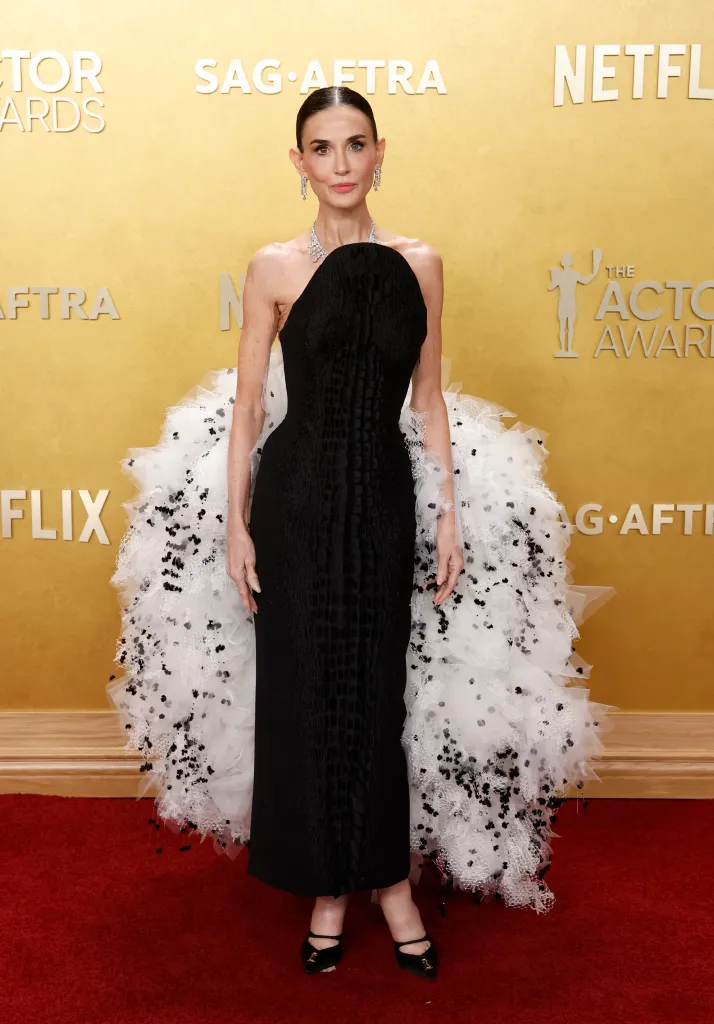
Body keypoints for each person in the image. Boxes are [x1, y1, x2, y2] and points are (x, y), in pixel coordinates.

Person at [108, 86, 614, 981]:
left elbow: (426, 404)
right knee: (306, 694)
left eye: (355, 145)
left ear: (382, 152)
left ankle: (391, 886)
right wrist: (237, 527)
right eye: (321, 148)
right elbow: (252, 408)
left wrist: (451, 515)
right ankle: (327, 892)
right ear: (296, 162)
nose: (340, 164)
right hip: (297, 500)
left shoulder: (420, 263)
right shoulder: (272, 267)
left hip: (382, 496)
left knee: (379, 694)